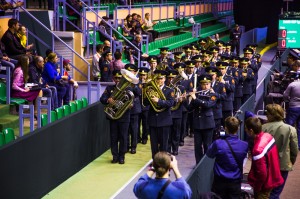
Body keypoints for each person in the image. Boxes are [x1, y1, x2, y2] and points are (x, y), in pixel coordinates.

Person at [262, 104, 298, 199]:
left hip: (266, 164)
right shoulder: (291, 129)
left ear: (271, 115)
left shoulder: (263, 128)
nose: (266, 115)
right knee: (276, 193)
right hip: (283, 165)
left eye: (267, 114)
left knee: (265, 192)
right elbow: (294, 150)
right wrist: (290, 162)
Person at [207, 116, 248, 199]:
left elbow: (209, 154)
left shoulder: (218, 143)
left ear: (225, 128)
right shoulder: (244, 145)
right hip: (235, 181)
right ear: (238, 128)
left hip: (219, 181)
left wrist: (218, 139)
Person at [245, 117, 284, 199]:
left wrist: (257, 188)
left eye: (246, 129)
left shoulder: (257, 150)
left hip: (264, 186)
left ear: (251, 131)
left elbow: (262, 174)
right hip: (273, 177)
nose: (246, 131)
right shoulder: (268, 136)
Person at [100, 70, 131, 164]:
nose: (118, 80)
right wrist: (108, 100)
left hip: (124, 117)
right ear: (113, 78)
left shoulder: (128, 89)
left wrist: (130, 104)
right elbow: (102, 99)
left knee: (123, 137)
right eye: (116, 78)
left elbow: (133, 98)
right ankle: (115, 156)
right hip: (113, 117)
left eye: (119, 78)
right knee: (113, 137)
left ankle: (122, 157)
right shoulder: (109, 88)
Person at [143, 70, 175, 159]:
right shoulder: (151, 90)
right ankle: (155, 162)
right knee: (154, 145)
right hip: (153, 120)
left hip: (164, 120)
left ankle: (163, 163)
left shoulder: (169, 90)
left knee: (164, 145)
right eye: (157, 79)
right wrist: (144, 92)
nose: (159, 81)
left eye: (161, 79)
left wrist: (159, 101)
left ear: (164, 79)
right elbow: (145, 103)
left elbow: (171, 103)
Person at [188, 74, 216, 164]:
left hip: (208, 124)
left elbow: (207, 105)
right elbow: (190, 108)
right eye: (203, 84)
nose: (205, 86)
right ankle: (198, 164)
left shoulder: (213, 95)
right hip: (197, 123)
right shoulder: (198, 94)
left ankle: (206, 164)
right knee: (197, 146)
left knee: (207, 145)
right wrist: (187, 99)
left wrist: (195, 99)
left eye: (207, 84)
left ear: (210, 84)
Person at [283, 63, 300, 148]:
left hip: (293, 107)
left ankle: (287, 143)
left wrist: (289, 100)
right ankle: (299, 145)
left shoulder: (292, 84)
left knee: (289, 125)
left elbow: (285, 95)